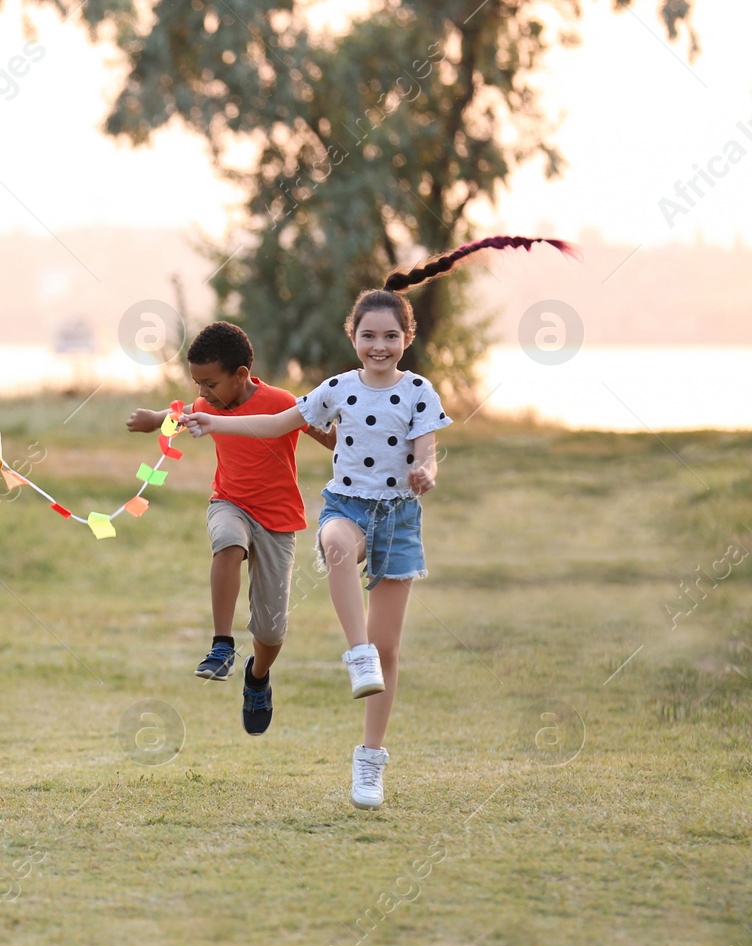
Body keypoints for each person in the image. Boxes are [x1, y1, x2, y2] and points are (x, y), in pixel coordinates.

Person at [178, 236, 570, 809]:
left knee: (389, 654)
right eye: (368, 336)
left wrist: (425, 472)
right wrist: (213, 424)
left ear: (406, 340)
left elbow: (427, 449)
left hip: (399, 521)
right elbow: (275, 422)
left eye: (390, 336)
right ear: (353, 338)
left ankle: (369, 762)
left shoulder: (419, 391)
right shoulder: (337, 388)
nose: (379, 345)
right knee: (335, 544)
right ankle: (353, 651)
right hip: (349, 507)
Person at [126, 322, 334, 734]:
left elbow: (327, 436)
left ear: (241, 376)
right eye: (197, 384)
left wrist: (359, 433)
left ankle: (257, 677)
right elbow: (181, 417)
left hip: (277, 519)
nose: (202, 393)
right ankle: (221, 646)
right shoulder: (208, 407)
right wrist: (153, 419)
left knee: (271, 630)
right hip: (230, 502)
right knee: (226, 541)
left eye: (210, 383)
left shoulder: (281, 401)